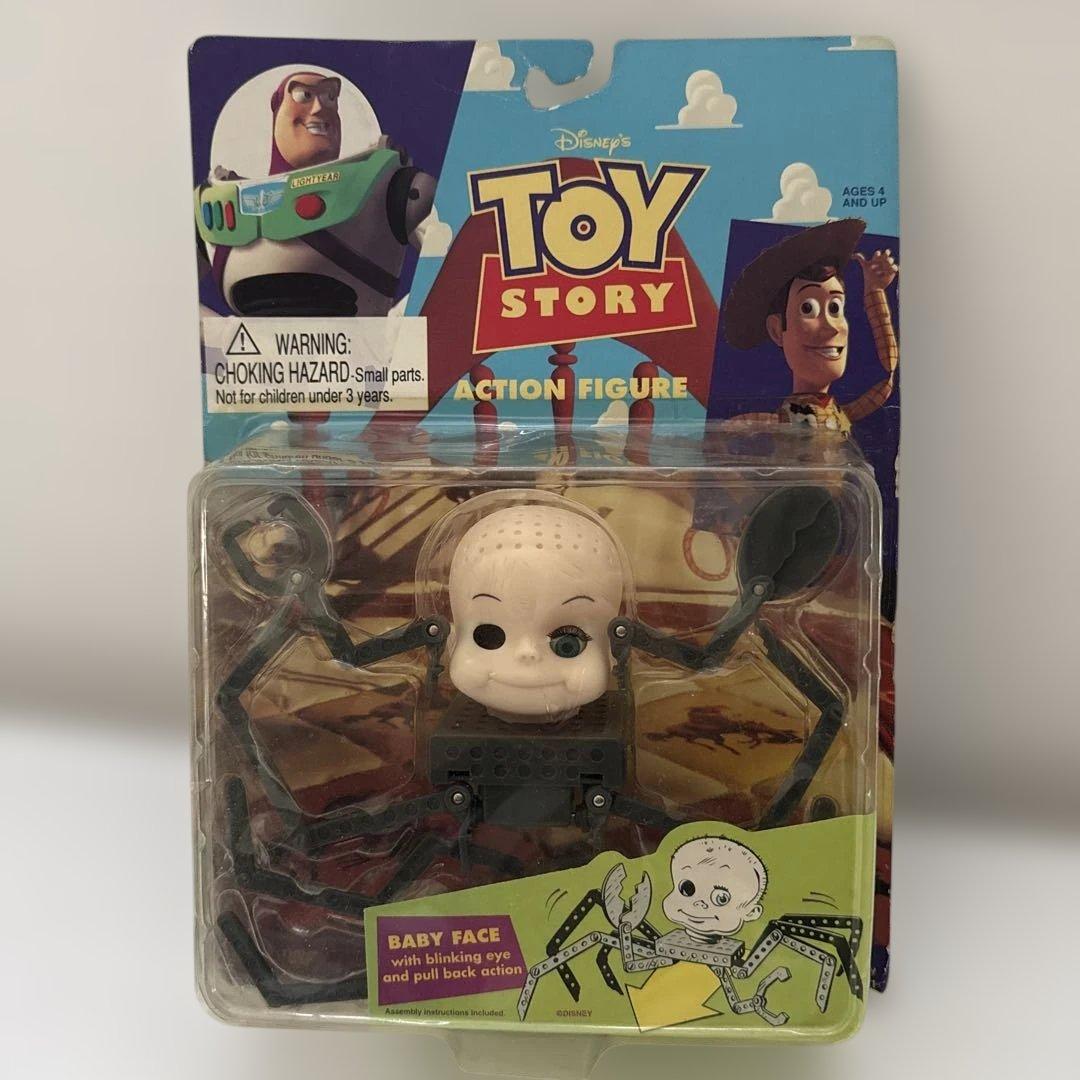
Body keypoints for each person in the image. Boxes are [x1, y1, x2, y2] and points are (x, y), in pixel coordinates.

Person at [723, 218, 898, 434]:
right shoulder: (776, 422)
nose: (832, 327)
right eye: (808, 309)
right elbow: (728, 430)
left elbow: (886, 378)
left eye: (835, 308)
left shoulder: (840, 415)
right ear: (777, 330)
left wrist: (875, 291)